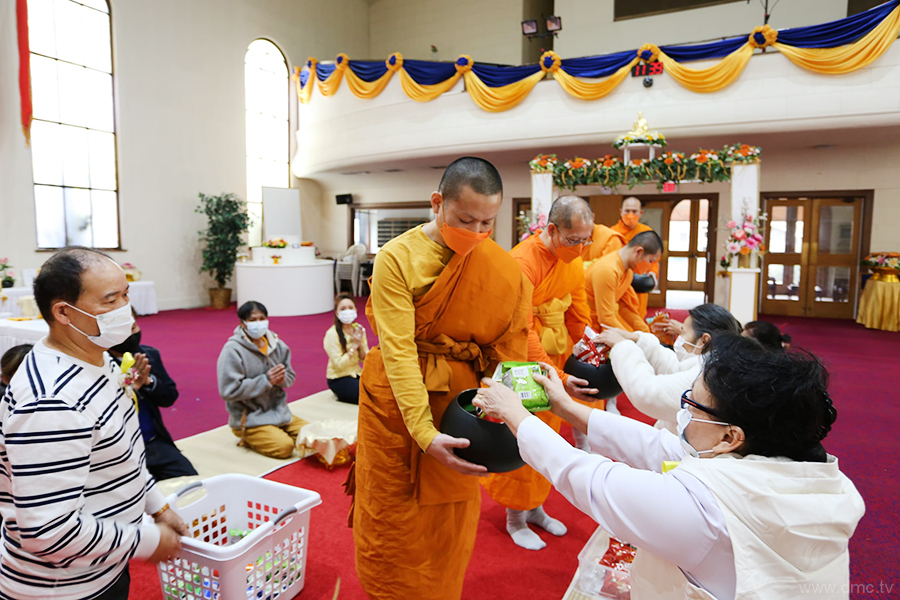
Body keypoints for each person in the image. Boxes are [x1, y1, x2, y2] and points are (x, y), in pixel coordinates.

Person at [473, 334, 865, 600]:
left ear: (731, 436)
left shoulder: (707, 510)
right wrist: (567, 407)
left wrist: (516, 416)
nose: (682, 411)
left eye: (692, 405)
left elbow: (590, 480)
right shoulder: (805, 469)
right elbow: (659, 447)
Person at [350, 157, 531, 600]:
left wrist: (523, 423)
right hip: (397, 406)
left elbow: (512, 353)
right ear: (438, 203)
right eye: (464, 219)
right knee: (392, 517)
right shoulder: (397, 258)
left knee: (450, 517)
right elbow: (399, 350)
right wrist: (423, 433)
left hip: (461, 407)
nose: (476, 232)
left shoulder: (506, 270)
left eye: (487, 222)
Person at [0, 247, 186, 600]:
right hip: (62, 588)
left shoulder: (101, 364)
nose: (125, 310)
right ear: (64, 313)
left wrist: (156, 504)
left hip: (102, 566)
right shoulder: (51, 403)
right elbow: (48, 531)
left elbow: (122, 457)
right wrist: (148, 540)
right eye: (110, 300)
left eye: (126, 295)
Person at [482, 195, 598, 551]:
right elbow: (522, 329)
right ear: (551, 229)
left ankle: (535, 508)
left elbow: (578, 309)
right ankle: (514, 517)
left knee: (550, 437)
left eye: (586, 239)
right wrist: (556, 377)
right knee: (524, 436)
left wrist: (592, 346)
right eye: (574, 240)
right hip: (525, 361)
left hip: (556, 354)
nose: (581, 248)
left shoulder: (573, 259)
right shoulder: (522, 261)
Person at [597, 303, 742, 432]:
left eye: (683, 332)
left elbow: (647, 392)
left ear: (704, 339)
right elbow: (675, 370)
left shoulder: (708, 375)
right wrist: (636, 339)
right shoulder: (714, 359)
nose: (679, 338)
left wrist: (622, 346)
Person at [108, 308, 198, 481]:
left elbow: (169, 397)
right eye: (123, 329)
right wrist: (131, 388)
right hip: (122, 450)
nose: (130, 333)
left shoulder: (149, 355)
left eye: (133, 327)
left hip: (154, 442)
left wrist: (148, 382)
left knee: (191, 484)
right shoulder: (99, 364)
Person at [217, 300, 306, 459]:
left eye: (262, 319)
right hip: (251, 419)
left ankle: (278, 431)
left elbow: (290, 378)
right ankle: (248, 437)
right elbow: (228, 391)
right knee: (285, 448)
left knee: (316, 437)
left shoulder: (278, 345)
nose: (258, 323)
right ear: (242, 323)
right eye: (253, 320)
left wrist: (281, 379)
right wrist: (266, 380)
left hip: (280, 413)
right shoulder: (232, 350)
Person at [585, 230, 663, 332]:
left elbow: (624, 306)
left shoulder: (627, 271)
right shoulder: (608, 270)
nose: (649, 267)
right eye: (650, 261)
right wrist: (632, 339)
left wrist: (646, 333)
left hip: (598, 328)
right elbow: (606, 318)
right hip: (584, 329)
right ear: (639, 252)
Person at [611, 197, 661, 317]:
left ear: (641, 213)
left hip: (639, 285)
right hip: (619, 285)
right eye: (627, 211)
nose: (630, 215)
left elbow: (654, 261)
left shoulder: (647, 233)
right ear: (620, 212)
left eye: (634, 211)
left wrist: (653, 274)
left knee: (638, 317)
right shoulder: (612, 233)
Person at [323, 293, 368, 404]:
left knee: (379, 390)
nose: (347, 311)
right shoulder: (332, 334)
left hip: (357, 374)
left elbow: (366, 360)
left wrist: (360, 346)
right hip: (339, 378)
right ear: (337, 313)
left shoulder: (358, 329)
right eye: (343, 309)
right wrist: (354, 347)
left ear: (356, 310)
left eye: (350, 308)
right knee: (366, 397)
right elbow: (339, 364)